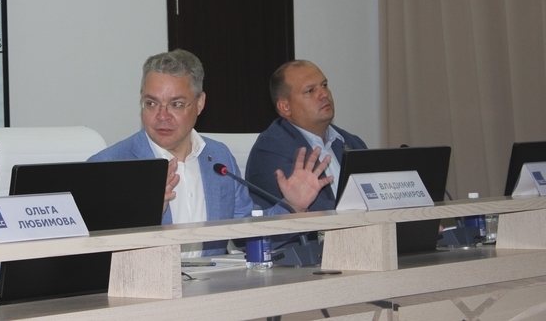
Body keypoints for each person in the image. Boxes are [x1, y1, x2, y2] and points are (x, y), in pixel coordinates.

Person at [88, 49, 332, 257]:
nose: (162, 116)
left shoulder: (218, 157)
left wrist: (292, 207)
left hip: (212, 287)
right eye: (151, 103)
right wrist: (144, 214)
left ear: (200, 103)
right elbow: (93, 254)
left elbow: (247, 235)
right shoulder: (109, 166)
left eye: (176, 104)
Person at [246, 60, 367, 212]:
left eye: (324, 85)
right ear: (285, 107)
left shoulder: (351, 142)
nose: (324, 94)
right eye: (310, 91)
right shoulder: (270, 150)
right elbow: (313, 210)